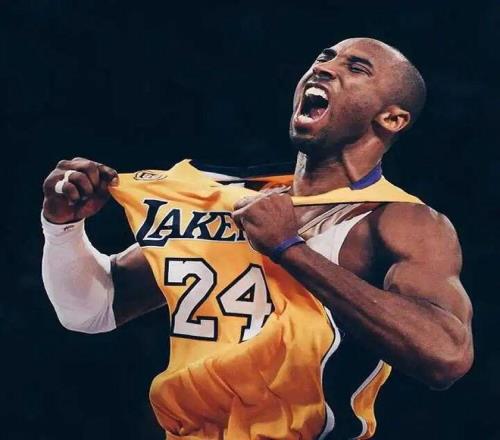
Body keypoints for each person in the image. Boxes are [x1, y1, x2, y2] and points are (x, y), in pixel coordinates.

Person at [41, 38, 473, 438]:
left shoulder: (399, 219)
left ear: (392, 118)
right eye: (323, 58)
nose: (324, 68)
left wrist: (290, 249)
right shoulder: (228, 200)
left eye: (356, 68)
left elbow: (446, 356)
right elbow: (91, 312)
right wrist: (62, 228)